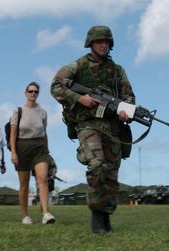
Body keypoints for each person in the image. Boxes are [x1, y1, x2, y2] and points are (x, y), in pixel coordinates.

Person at [50, 25, 135, 233]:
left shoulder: (117, 71)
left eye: (106, 42)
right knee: (97, 164)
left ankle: (106, 216)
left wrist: (127, 111)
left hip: (112, 127)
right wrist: (79, 98)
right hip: (88, 124)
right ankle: (97, 215)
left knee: (112, 176)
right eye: (99, 41)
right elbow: (56, 85)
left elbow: (129, 96)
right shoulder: (78, 65)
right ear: (91, 43)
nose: (103, 45)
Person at [10, 82, 55, 225]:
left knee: (42, 179)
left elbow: (45, 133)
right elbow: (13, 134)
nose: (33, 94)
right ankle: (25, 216)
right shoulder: (17, 111)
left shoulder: (43, 112)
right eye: (31, 91)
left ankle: (46, 213)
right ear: (25, 93)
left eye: (36, 92)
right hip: (22, 147)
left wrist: (47, 152)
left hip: (40, 147)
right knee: (24, 184)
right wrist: (13, 153)